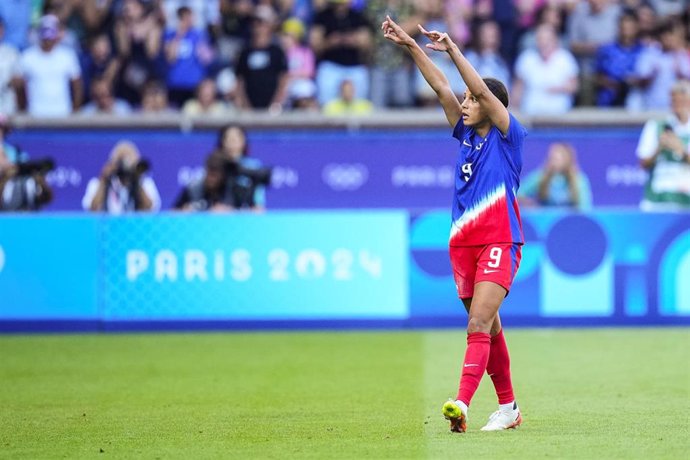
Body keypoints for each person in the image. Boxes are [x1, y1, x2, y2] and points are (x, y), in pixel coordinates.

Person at [382, 16, 525, 432]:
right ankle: (509, 407)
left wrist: (455, 50)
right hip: (462, 244)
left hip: (500, 238)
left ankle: (461, 403)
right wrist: (411, 45)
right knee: (490, 328)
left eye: (473, 100)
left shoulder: (508, 136)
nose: (465, 102)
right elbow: (441, 87)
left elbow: (477, 87)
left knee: (478, 323)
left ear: (493, 106)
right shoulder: (465, 134)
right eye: (465, 100)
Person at [13, 14, 83, 117]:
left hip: (63, 114)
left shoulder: (67, 56)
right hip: (35, 114)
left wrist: (75, 111)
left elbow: (77, 86)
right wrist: (23, 110)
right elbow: (19, 86)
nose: (48, 39)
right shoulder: (27, 57)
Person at [635, 80, 690, 211]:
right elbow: (643, 163)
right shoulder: (655, 126)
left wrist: (681, 150)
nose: (678, 106)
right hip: (656, 201)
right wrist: (659, 148)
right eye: (674, 101)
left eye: (682, 101)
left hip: (686, 201)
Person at [82, 140, 161, 214]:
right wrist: (103, 180)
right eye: (121, 161)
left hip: (135, 227)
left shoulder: (145, 183)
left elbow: (149, 209)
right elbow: (92, 210)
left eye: (129, 160)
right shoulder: (97, 183)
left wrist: (137, 179)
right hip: (108, 227)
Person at [0, 114, 53, 211]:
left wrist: (37, 176)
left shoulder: (16, 153)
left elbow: (47, 198)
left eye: (1, 128)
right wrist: (6, 174)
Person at [519, 142, 593, 210]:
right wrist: (530, 204)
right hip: (546, 222)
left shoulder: (578, 179)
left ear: (567, 159)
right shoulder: (541, 176)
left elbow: (585, 208)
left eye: (558, 158)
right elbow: (517, 193)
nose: (554, 161)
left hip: (569, 222)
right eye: (552, 158)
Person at [214, 124, 269, 210]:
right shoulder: (216, 164)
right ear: (222, 142)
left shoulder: (253, 166)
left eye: (236, 138)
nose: (232, 141)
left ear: (243, 141)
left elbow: (258, 201)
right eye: (228, 138)